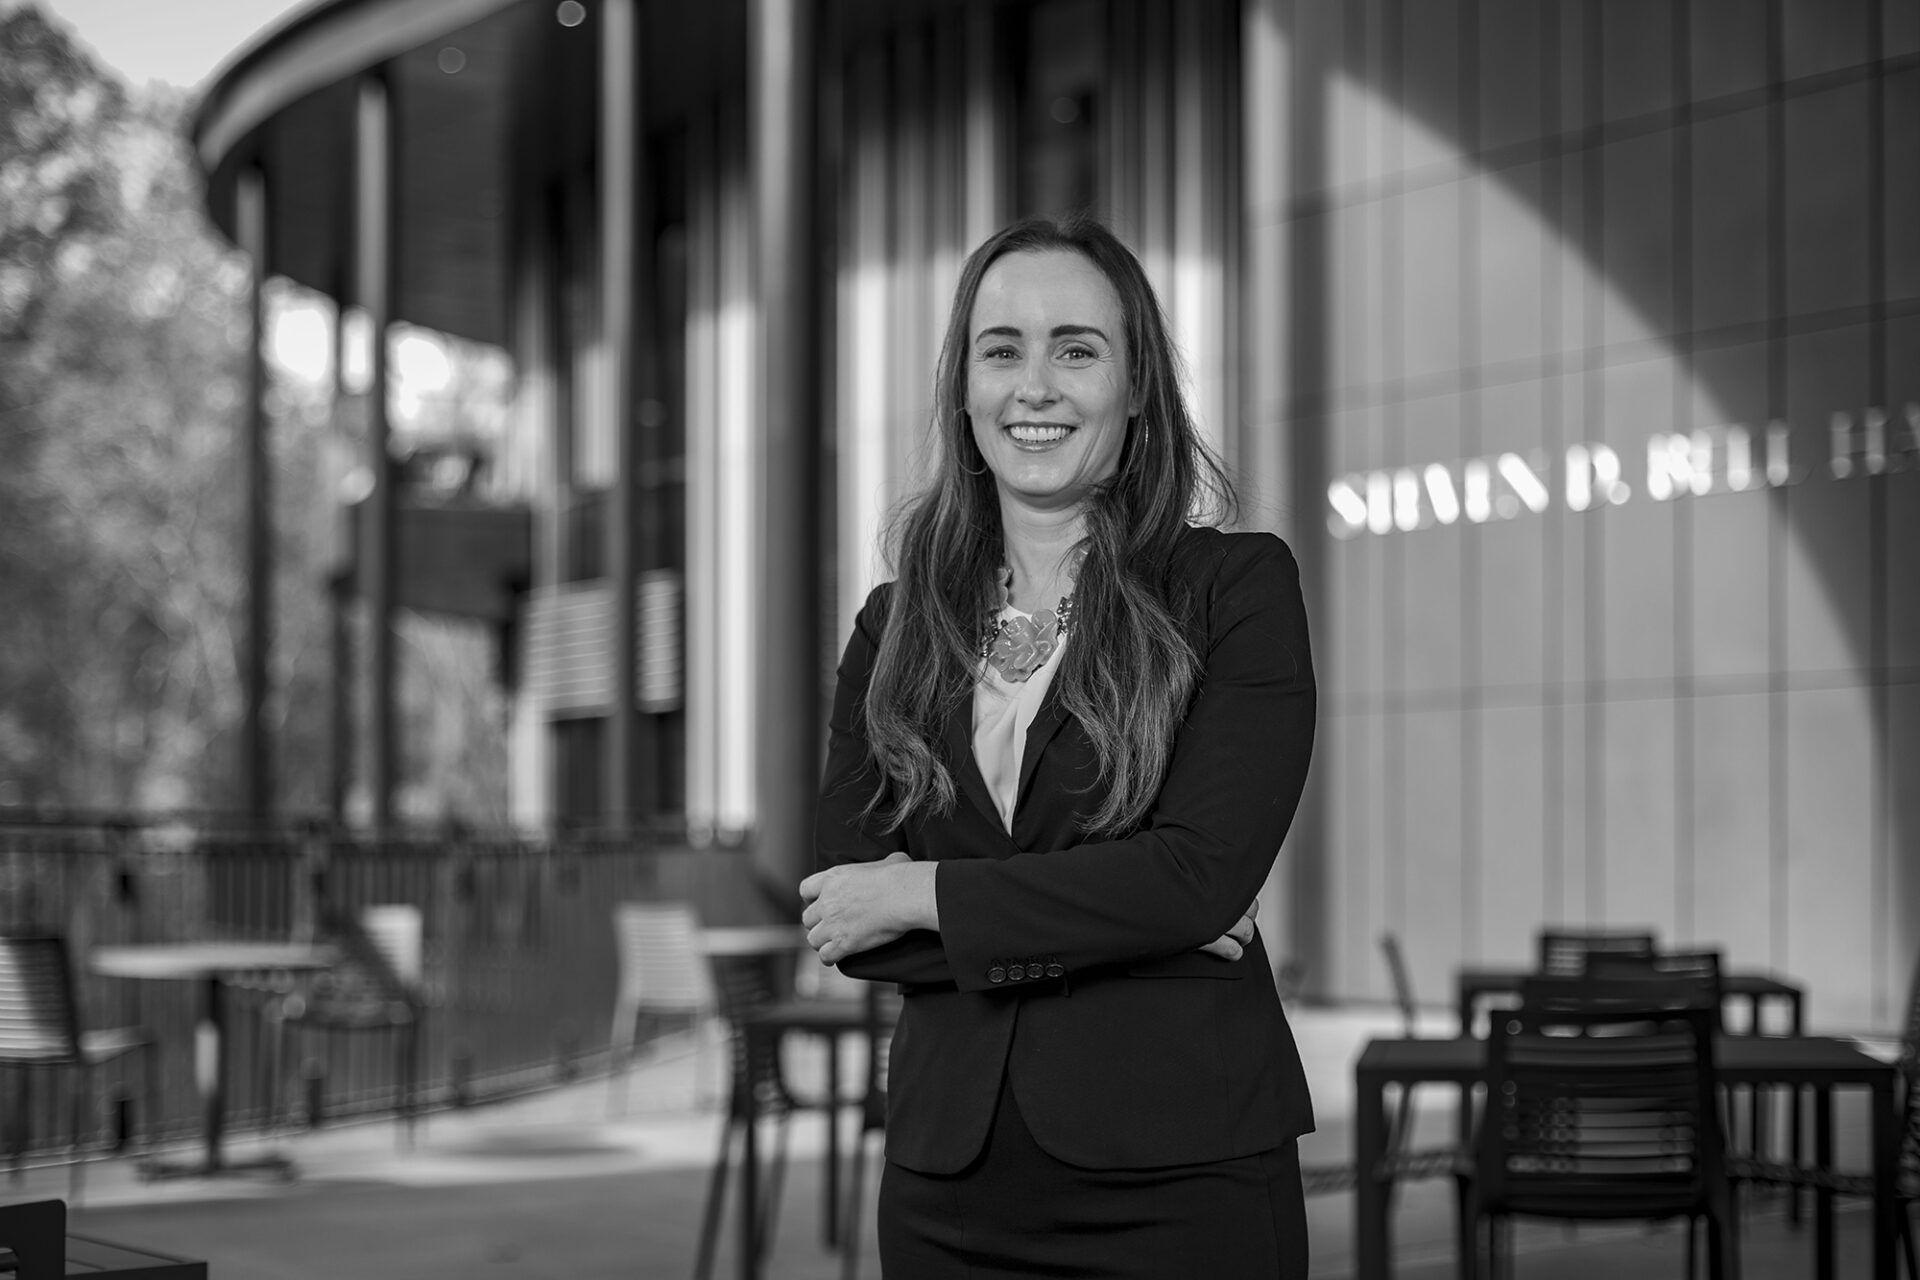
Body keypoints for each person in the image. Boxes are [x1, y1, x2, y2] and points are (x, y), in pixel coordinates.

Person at [800, 212, 1316, 1278]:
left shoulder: (1236, 589)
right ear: (965, 388)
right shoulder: (892, 626)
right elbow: (847, 914)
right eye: (1003, 350)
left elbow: (1198, 875)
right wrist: (1143, 914)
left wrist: (921, 890)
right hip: (951, 1192)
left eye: (1076, 348)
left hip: (1183, 1176)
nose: (1034, 385)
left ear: (1136, 387)